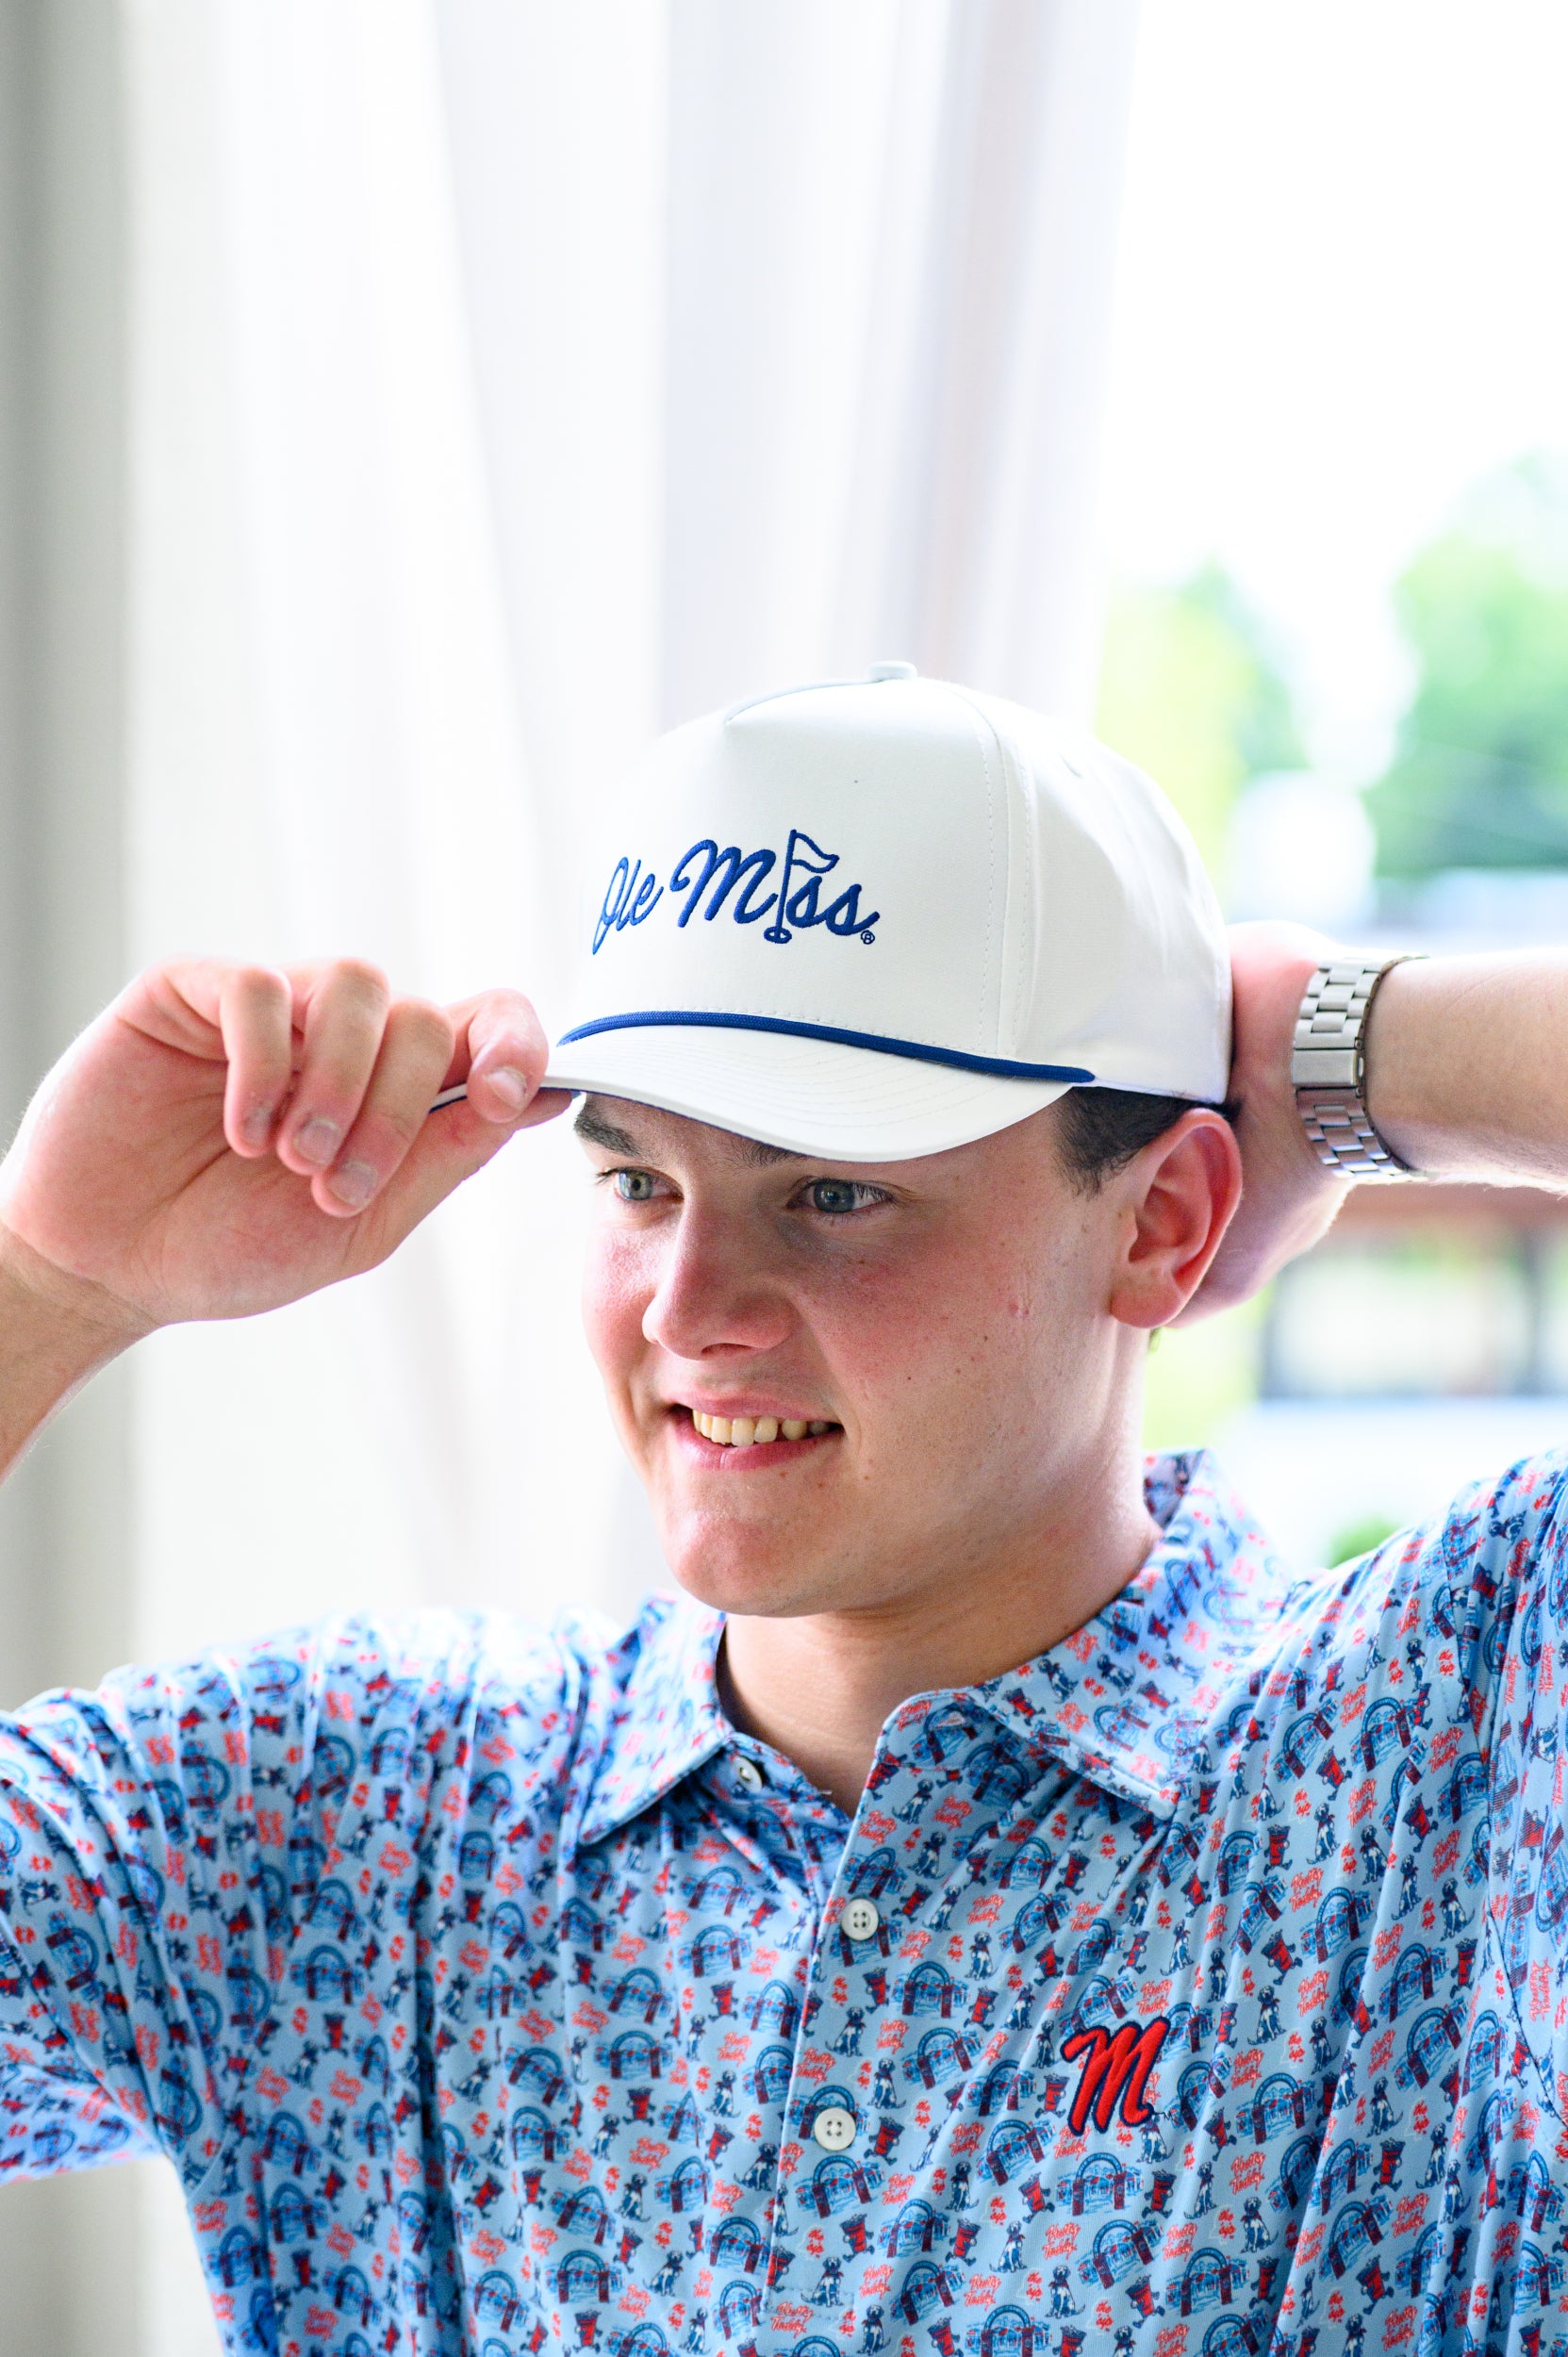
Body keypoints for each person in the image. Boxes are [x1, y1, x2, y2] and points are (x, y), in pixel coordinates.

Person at [0, 667, 1563, 2354]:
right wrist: (49, 1288)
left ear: (1163, 1220)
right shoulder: (370, 1817)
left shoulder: (1447, 1744)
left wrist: (1338, 1043)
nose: (689, 1305)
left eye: (832, 1192)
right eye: (637, 1182)